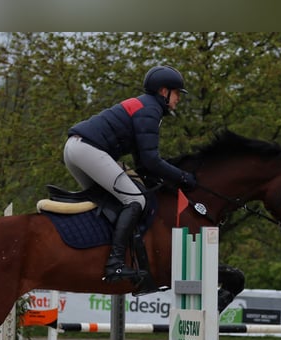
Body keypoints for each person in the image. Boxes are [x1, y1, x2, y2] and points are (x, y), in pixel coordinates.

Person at [64, 65, 197, 283]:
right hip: (88, 149)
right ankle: (115, 264)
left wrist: (164, 182)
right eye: (176, 93)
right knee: (135, 200)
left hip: (74, 149)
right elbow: (151, 160)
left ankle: (96, 253)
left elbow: (143, 163)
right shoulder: (150, 110)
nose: (178, 100)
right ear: (164, 92)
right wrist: (182, 177)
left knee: (108, 203)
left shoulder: (144, 105)